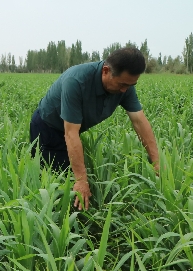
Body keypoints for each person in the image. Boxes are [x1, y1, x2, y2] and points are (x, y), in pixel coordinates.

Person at [29, 46, 160, 211]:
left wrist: (157, 162)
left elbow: (139, 120)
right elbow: (70, 134)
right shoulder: (76, 81)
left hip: (71, 130)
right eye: (122, 84)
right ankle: (49, 223)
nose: (125, 90)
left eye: (130, 85)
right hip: (47, 128)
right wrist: (81, 180)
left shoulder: (124, 86)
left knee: (71, 179)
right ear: (106, 71)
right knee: (53, 184)